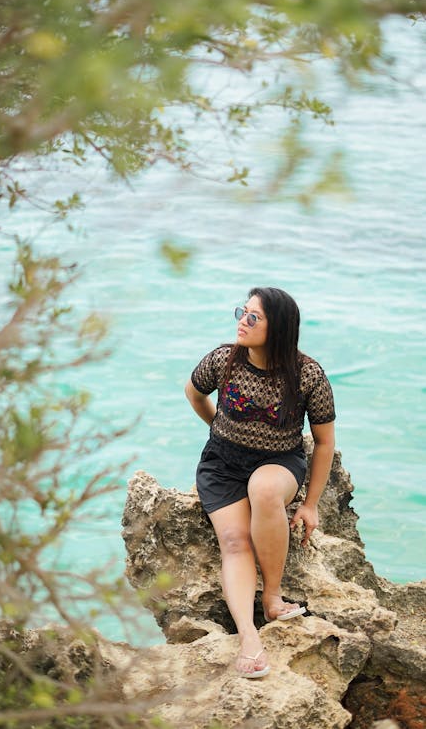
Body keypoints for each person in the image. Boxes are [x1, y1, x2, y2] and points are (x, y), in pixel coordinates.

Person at [184, 287, 335, 679]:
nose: (242, 321)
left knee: (265, 490)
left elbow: (323, 442)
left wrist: (311, 503)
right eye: (242, 312)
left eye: (253, 317)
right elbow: (194, 393)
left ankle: (272, 596)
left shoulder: (308, 375)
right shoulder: (222, 360)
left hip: (279, 462)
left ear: (279, 327)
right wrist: (218, 428)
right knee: (234, 542)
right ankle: (249, 638)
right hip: (221, 465)